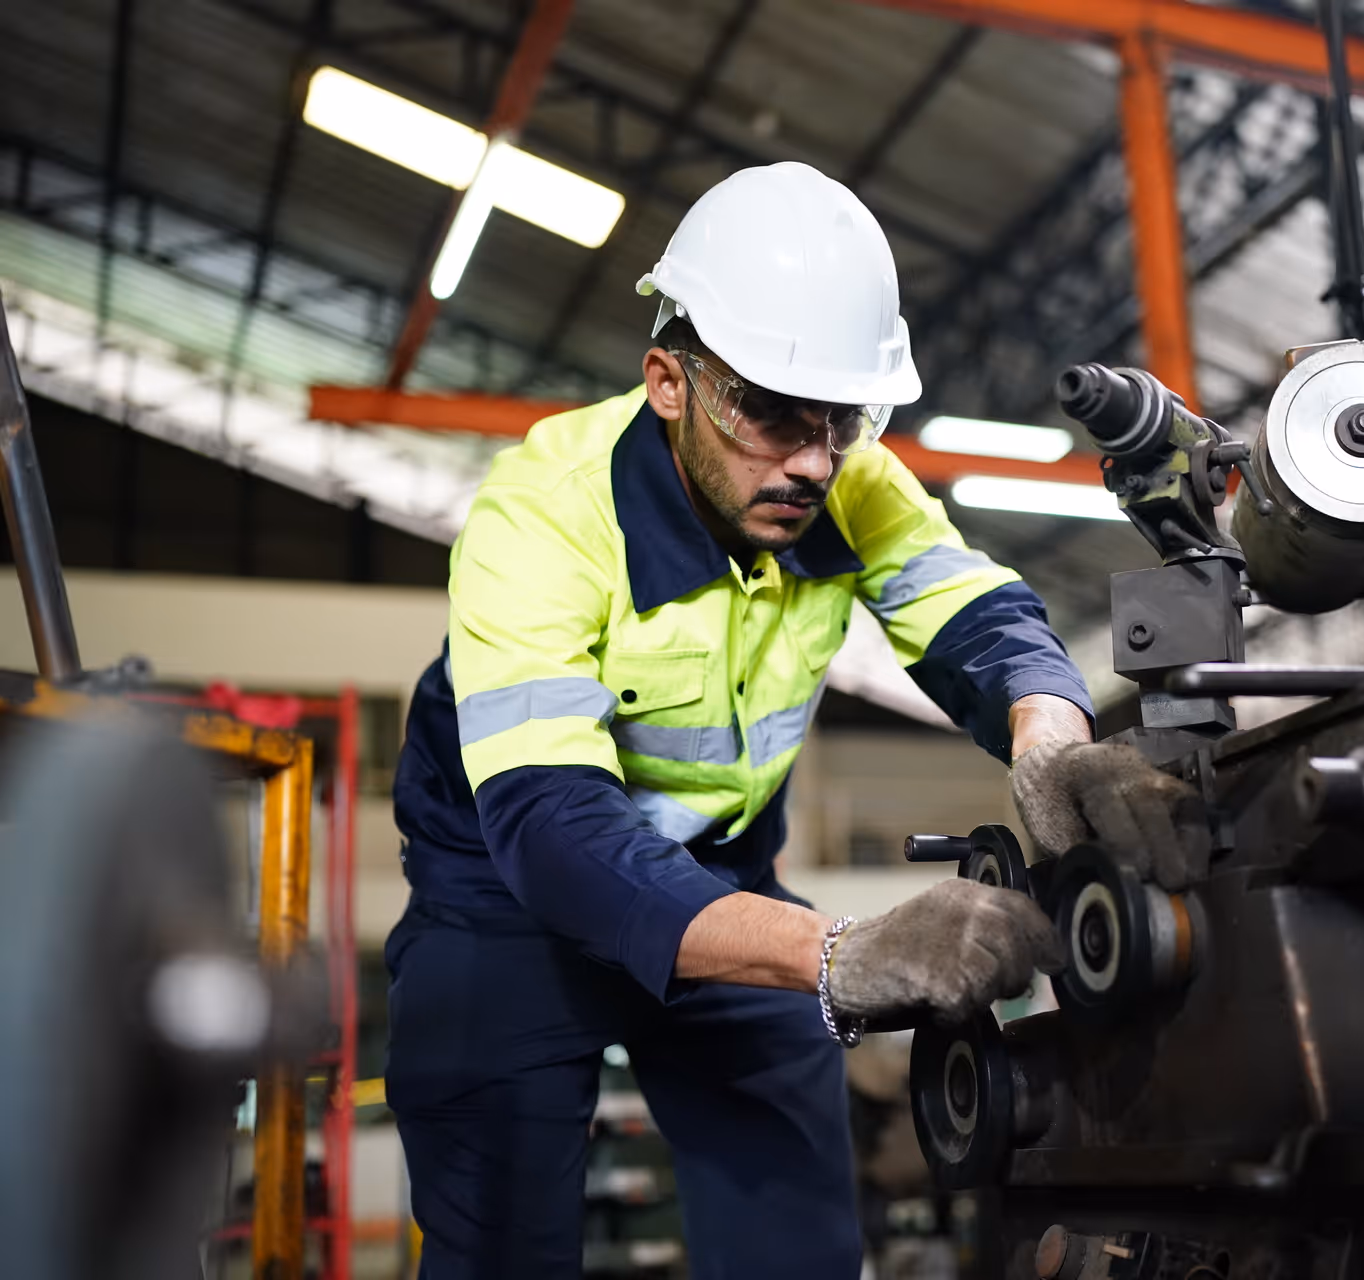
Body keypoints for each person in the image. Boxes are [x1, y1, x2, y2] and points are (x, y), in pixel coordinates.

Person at [383, 161, 1209, 1279]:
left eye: (842, 417)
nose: (814, 458)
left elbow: (975, 610)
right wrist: (834, 952)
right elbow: (553, 826)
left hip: (720, 874)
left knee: (795, 1225)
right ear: (669, 381)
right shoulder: (540, 517)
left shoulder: (849, 480)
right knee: (498, 1234)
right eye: (770, 411)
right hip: (506, 897)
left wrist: (1049, 730)